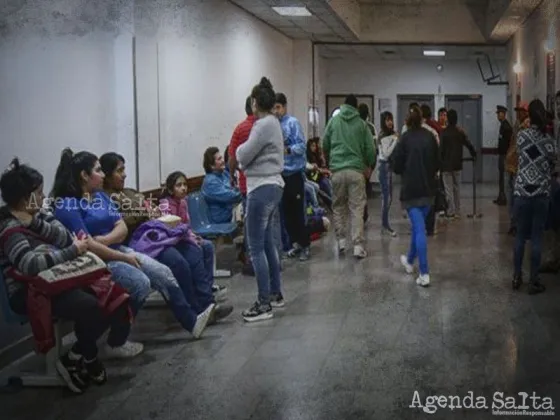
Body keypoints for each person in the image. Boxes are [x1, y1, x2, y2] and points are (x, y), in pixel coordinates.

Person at [0, 159, 134, 393]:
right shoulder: (9, 229)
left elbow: (64, 236)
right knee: (91, 306)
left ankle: (76, 355)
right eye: (39, 193)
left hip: (58, 279)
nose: (43, 198)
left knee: (114, 297)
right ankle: (87, 357)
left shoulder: (37, 216)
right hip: (29, 291)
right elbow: (31, 265)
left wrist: (36, 223)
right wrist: (72, 252)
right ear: (23, 199)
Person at [51, 149, 214, 341]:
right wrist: (120, 254)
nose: (102, 174)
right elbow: (87, 246)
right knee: (140, 284)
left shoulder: (100, 197)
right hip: (93, 261)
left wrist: (103, 240)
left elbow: (121, 228)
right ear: (84, 175)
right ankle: (117, 339)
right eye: (98, 170)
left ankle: (192, 322)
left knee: (163, 273)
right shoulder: (68, 205)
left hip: (116, 249)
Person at [99, 154, 232, 324]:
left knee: (194, 251)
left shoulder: (129, 192)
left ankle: (208, 304)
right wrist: (143, 212)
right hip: (144, 242)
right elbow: (122, 222)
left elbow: (151, 207)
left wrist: (149, 210)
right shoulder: (105, 198)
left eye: (124, 169)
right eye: (119, 171)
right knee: (179, 263)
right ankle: (196, 311)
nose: (124, 174)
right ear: (108, 175)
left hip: (162, 234)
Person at [236, 77, 285, 322]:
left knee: (255, 248)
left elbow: (243, 154)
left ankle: (263, 303)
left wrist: (240, 156)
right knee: (267, 244)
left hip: (261, 188)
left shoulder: (262, 125)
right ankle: (275, 294)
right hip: (273, 186)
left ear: (255, 102)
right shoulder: (273, 122)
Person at [512, 99, 557, 294]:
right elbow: (553, 162)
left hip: (522, 192)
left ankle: (516, 277)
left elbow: (519, 155)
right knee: (537, 238)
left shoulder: (522, 136)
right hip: (541, 194)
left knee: (520, 237)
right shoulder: (549, 141)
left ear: (529, 115)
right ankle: (534, 281)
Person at [323, 94, 376, 258]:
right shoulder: (362, 124)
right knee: (357, 208)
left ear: (344, 105)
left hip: (337, 171)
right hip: (356, 171)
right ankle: (358, 246)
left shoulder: (334, 121)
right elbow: (370, 149)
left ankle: (341, 242)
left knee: (338, 207)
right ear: (356, 107)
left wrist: (329, 160)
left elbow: (325, 143)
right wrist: (369, 165)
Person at [393, 105, 440, 287]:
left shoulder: (404, 139)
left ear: (407, 121)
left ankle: (424, 273)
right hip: (429, 192)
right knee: (418, 228)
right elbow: (437, 163)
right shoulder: (430, 137)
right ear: (422, 120)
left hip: (411, 192)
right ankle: (410, 261)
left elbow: (396, 166)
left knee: (419, 230)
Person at [274, 92, 311, 261]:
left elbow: (302, 146)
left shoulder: (292, 123)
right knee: (286, 214)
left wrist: (287, 150)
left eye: (279, 107)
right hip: (281, 175)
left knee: (297, 212)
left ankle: (305, 245)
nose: (276, 111)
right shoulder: (273, 125)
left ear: (285, 106)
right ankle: (295, 243)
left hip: (294, 174)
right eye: (274, 107)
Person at [228, 96, 257, 275]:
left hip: (248, 184)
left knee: (250, 224)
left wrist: (232, 175)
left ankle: (251, 260)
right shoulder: (269, 127)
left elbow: (232, 158)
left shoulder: (241, 128)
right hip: (270, 185)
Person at [440, 109, 477, 219]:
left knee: (448, 189)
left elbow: (441, 150)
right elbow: (468, 143)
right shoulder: (459, 132)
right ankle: (457, 210)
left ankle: (450, 210)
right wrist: (473, 154)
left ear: (448, 119)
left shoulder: (444, 133)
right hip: (457, 164)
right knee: (457, 188)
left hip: (446, 165)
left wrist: (438, 164)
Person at [505, 103, 530, 235]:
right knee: (513, 197)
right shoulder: (517, 125)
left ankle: (518, 225)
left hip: (520, 169)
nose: (518, 113)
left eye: (521, 111)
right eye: (517, 111)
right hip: (512, 167)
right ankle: (514, 223)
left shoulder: (526, 127)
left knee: (518, 198)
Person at [201, 147, 242, 224]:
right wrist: (243, 191)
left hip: (232, 211)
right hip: (223, 218)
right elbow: (231, 197)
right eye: (219, 159)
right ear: (211, 166)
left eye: (222, 158)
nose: (223, 161)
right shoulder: (210, 182)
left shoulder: (224, 173)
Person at [378, 111, 398, 236]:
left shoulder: (390, 134)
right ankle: (385, 224)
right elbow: (386, 154)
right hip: (384, 167)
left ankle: (384, 222)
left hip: (388, 168)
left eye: (391, 119)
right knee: (387, 198)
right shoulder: (384, 136)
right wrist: (395, 140)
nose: (390, 122)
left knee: (388, 198)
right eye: (387, 120)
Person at [358, 103, 378, 223]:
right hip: (366, 164)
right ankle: (363, 214)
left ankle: (361, 214)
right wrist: (371, 166)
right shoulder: (370, 127)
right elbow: (373, 149)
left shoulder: (354, 126)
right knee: (363, 189)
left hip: (356, 163)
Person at [495, 105, 512, 206]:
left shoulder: (506, 127)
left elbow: (509, 142)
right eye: (497, 114)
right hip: (502, 154)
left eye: (499, 113)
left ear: (503, 114)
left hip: (505, 155)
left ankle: (504, 198)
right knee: (501, 177)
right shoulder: (502, 125)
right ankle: (501, 197)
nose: (498, 115)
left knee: (504, 177)